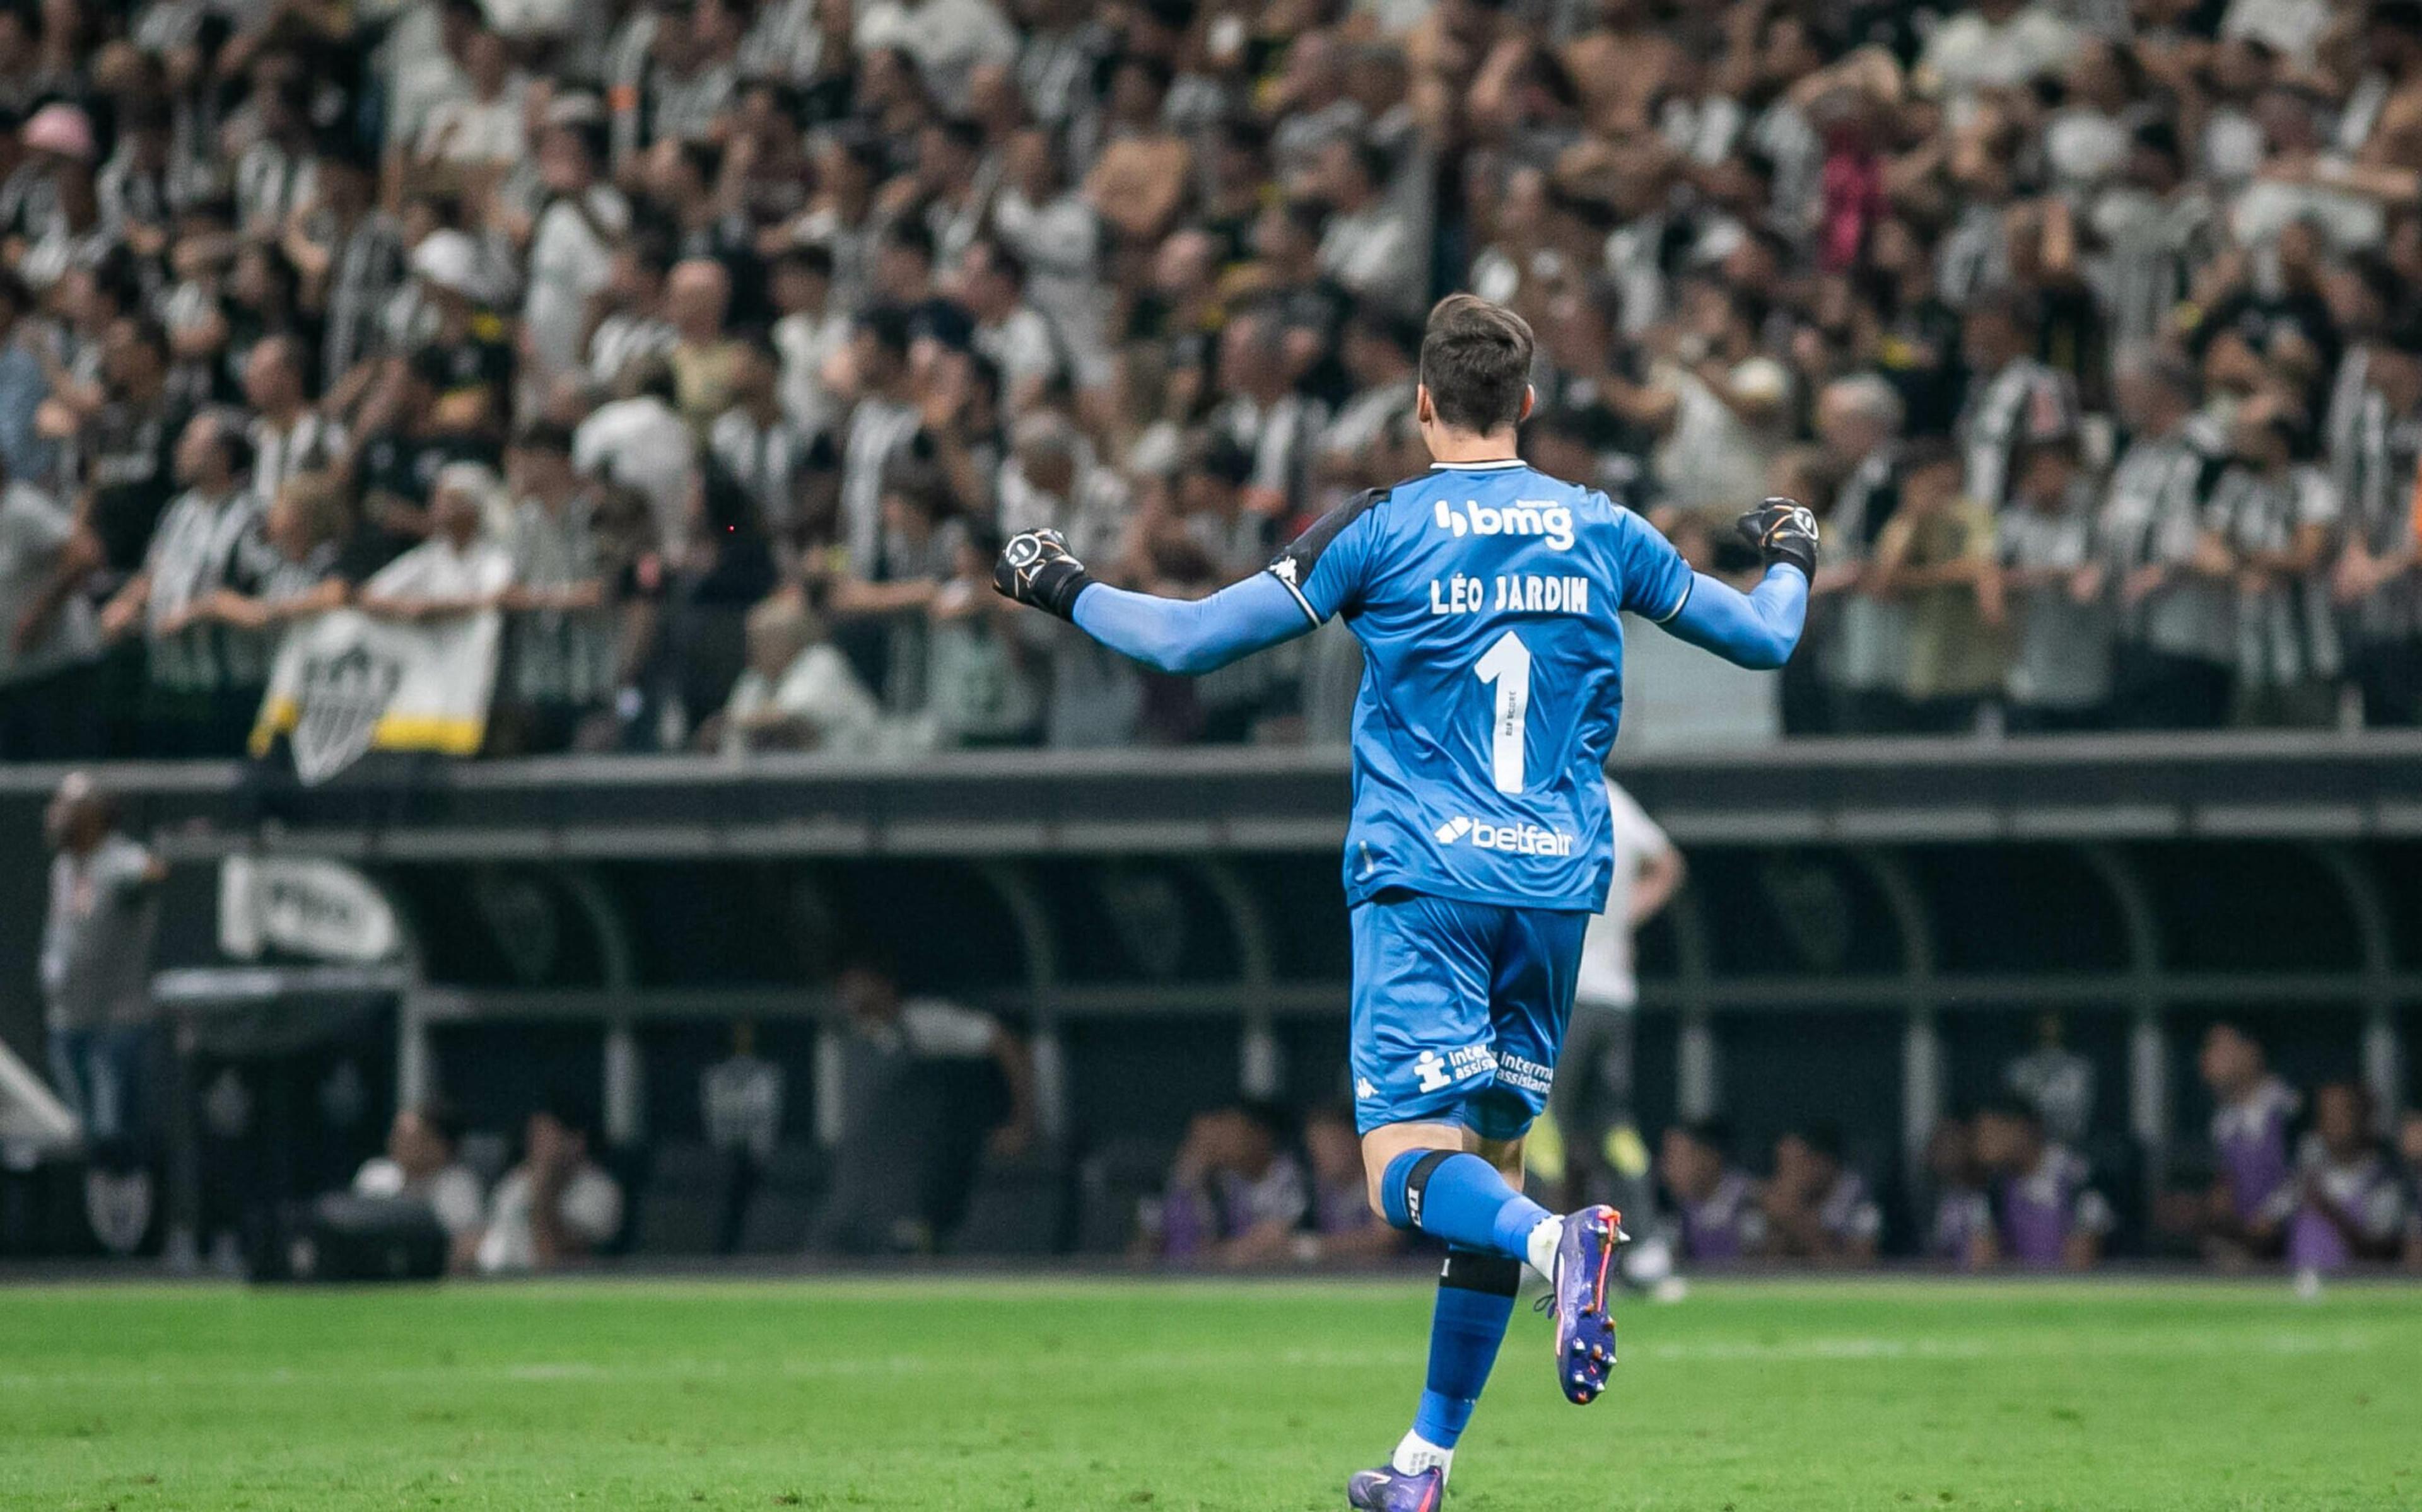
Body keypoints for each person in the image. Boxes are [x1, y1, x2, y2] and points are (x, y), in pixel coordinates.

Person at [990, 294, 1813, 1508]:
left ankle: (1554, 1241)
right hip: (1553, 893)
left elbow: (1190, 641)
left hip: (1424, 878)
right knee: (1483, 1166)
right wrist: (1792, 546)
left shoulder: (1380, 526)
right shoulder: (1602, 526)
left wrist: (1056, 582)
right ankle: (1424, 1466)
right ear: (1528, 406)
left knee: (1404, 1174)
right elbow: (1761, 639)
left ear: (1421, 406)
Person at [40, 771, 165, 1255]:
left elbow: (149, 870)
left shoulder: (117, 861)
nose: (57, 816)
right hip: (68, 1016)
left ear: (94, 813)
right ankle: (101, 1202)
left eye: (67, 806)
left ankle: (130, 1202)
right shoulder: (64, 868)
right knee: (85, 1129)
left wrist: (158, 865)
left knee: (115, 1125)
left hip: (116, 1017)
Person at [1552, 777, 1682, 1214]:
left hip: (1567, 994)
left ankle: (1537, 1238)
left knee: (1542, 1118)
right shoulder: (1615, 797)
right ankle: (1646, 1245)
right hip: (1615, 996)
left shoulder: (1545, 791)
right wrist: (1621, 921)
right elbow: (1668, 865)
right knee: (1612, 1122)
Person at [1139, 1100, 1311, 1268]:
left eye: (1234, 1132)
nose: (1224, 1143)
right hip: (1194, 1278)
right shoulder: (1215, 1181)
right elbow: (1146, 1242)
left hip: (1270, 1277)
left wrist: (1223, 1253)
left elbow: (1275, 1236)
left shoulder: (1287, 1174)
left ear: (1259, 1134)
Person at [475, 1095, 625, 1273]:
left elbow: (556, 1260)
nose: (536, 1145)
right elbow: (493, 1243)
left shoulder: (600, 1190)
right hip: (503, 1282)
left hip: (567, 1289)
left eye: (546, 1136)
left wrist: (543, 1190)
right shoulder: (515, 1181)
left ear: (576, 1142)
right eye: (534, 1136)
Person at [2198, 1022, 2300, 1262]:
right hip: (2248, 1243)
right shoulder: (2223, 1122)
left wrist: (2272, 1216)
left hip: (2295, 1244)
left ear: (2251, 1053)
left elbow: (2309, 1172)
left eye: (2217, 1048)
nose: (2206, 1058)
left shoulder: (2290, 1108)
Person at [2283, 1081, 2406, 1276]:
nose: (2333, 1122)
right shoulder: (2304, 1176)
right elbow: (2263, 1230)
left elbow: (2379, 1252)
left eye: (2342, 1113)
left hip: (2356, 1296)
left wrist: (2329, 1210)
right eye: (2326, 1114)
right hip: (2299, 1293)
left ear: (2364, 1117)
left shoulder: (2383, 1181)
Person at [1974, 1100, 2113, 1270]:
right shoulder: (1994, 1190)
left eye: (1990, 1133)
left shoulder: (2077, 1178)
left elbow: (2081, 1259)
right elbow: (1981, 1262)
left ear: (2022, 1130)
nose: (1982, 1144)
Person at [352, 1103, 485, 1272]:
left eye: (410, 1138)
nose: (397, 1143)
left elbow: (468, 1243)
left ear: (441, 1145)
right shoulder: (374, 1175)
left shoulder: (459, 1185)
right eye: (397, 1135)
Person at [1757, 1127, 1882, 1265]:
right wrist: (1778, 1224)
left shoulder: (1860, 1202)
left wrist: (1795, 1220)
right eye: (1782, 1165)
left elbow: (1861, 1272)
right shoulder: (1770, 1198)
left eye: (1798, 1164)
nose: (1789, 1174)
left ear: (1824, 1162)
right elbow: (1765, 1269)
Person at [1658, 1119, 1765, 1266]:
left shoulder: (1749, 1197)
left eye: (1678, 1158)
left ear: (1709, 1158)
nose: (1667, 1170)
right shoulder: (1668, 1205)